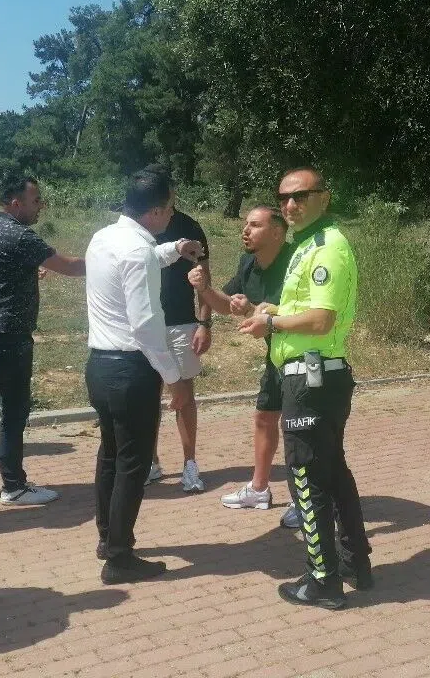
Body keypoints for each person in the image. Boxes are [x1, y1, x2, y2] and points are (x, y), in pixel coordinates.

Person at [239, 168, 372, 610]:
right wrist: (275, 308)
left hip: (310, 378)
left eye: (300, 196)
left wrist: (272, 323)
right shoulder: (307, 244)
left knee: (306, 480)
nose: (290, 205)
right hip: (315, 375)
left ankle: (322, 581)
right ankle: (355, 564)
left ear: (324, 197)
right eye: (283, 198)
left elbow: (321, 320)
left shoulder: (327, 247)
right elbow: (307, 308)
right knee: (333, 473)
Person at [84, 164, 204, 584]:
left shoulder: (105, 238)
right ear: (154, 211)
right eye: (169, 208)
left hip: (100, 365)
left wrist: (175, 249)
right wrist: (173, 376)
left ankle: (108, 538)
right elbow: (147, 325)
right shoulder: (137, 252)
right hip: (132, 369)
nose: (172, 214)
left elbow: (144, 257)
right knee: (132, 465)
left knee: (111, 455)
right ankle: (120, 557)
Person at [0, 176, 86, 506]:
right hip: (10, 335)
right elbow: (69, 267)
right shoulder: (19, 235)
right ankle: (14, 486)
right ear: (16, 203)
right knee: (14, 411)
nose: (40, 206)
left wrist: (25, 272)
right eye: (35, 200)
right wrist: (109, 259)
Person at [187, 205, 296, 520]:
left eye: (255, 225)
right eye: (245, 224)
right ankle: (259, 489)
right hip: (276, 355)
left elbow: (298, 314)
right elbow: (227, 305)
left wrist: (252, 310)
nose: (245, 231)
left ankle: (306, 501)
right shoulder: (248, 263)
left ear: (277, 232)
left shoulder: (296, 262)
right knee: (264, 417)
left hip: (304, 355)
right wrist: (204, 289)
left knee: (298, 429)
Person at [149, 202, 212, 492]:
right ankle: (151, 462)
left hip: (181, 323)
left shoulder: (189, 226)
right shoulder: (136, 229)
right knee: (147, 396)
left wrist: (204, 323)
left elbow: (204, 278)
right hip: (145, 325)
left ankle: (190, 464)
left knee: (184, 395)